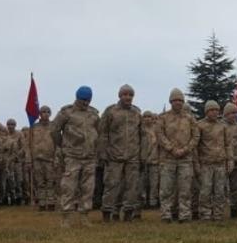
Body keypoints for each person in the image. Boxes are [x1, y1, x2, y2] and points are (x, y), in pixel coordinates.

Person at [51, 86, 101, 226]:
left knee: (88, 188)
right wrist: (63, 146)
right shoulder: (67, 113)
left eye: (88, 100)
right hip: (72, 156)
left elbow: (99, 131)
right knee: (69, 187)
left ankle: (84, 215)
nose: (85, 103)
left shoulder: (93, 114)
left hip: (89, 156)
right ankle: (66, 217)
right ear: (77, 98)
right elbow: (54, 130)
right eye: (83, 100)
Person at [100, 84, 143, 222]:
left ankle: (128, 213)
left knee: (132, 187)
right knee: (112, 185)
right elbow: (103, 133)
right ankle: (108, 213)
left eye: (130, 95)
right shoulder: (111, 111)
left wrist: (141, 155)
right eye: (125, 94)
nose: (128, 97)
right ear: (119, 96)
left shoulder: (137, 113)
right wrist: (103, 153)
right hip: (114, 156)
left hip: (133, 156)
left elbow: (141, 135)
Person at [158, 88, 198, 223]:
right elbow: (160, 135)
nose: (178, 102)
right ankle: (166, 215)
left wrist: (186, 149)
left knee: (185, 189)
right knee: (166, 189)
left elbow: (196, 136)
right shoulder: (163, 118)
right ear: (170, 101)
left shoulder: (190, 118)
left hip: (185, 159)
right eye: (175, 100)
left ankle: (184, 215)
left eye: (180, 100)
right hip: (168, 158)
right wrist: (171, 149)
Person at [196, 100, 230, 221]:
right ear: (206, 111)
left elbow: (228, 144)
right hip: (206, 163)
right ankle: (205, 213)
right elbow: (196, 145)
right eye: (211, 110)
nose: (214, 112)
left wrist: (229, 160)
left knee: (220, 191)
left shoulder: (223, 126)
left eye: (216, 110)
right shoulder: (200, 125)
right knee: (205, 190)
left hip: (220, 163)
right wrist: (196, 163)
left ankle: (218, 214)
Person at [29, 105, 57, 211]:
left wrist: (57, 158)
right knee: (40, 182)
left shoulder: (54, 126)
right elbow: (29, 144)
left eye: (47, 112)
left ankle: (51, 202)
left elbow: (58, 143)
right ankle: (41, 203)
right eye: (43, 112)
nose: (45, 114)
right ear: (39, 114)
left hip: (50, 159)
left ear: (50, 114)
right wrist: (29, 159)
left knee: (50, 181)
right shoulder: (34, 127)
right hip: (37, 159)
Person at [223, 103, 237, 218]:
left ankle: (234, 209)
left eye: (235, 113)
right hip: (223, 161)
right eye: (231, 113)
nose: (234, 115)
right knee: (221, 187)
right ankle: (218, 210)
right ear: (226, 114)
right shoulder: (221, 127)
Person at [140, 110, 160, 212]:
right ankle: (143, 201)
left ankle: (153, 202)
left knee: (154, 183)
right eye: (145, 117)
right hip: (142, 160)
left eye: (149, 117)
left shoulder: (157, 130)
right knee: (142, 183)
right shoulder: (140, 131)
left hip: (154, 160)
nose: (147, 119)